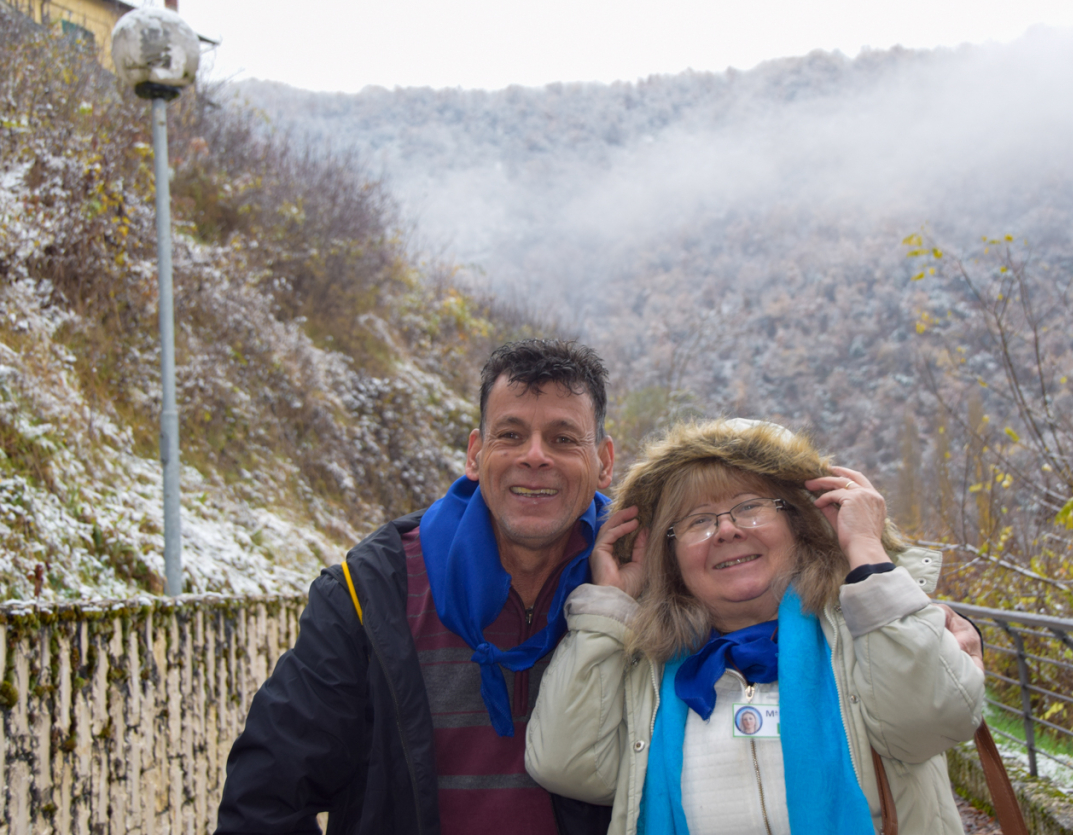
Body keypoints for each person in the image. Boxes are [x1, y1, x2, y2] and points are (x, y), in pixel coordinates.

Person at [217, 339, 617, 835]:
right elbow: (265, 797)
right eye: (511, 434)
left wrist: (618, 603)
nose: (535, 456)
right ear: (475, 454)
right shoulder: (372, 593)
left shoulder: (645, 592)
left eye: (563, 439)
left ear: (604, 461)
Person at [525, 418, 986, 835]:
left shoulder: (865, 634)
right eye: (698, 521)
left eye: (749, 507)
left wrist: (867, 552)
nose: (727, 530)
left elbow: (935, 719)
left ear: (799, 524)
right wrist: (610, 606)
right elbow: (567, 766)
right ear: (670, 555)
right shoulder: (644, 669)